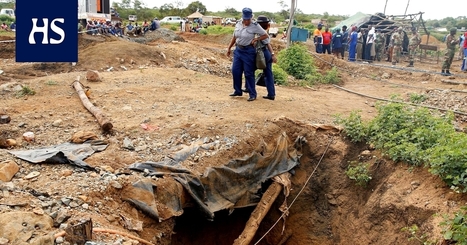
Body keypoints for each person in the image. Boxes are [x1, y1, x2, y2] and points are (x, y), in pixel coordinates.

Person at [226, 7, 269, 101]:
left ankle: (252, 94)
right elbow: (234, 37)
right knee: (235, 71)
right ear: (242, 17)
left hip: (248, 52)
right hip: (238, 50)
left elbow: (265, 35)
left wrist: (256, 39)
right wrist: (229, 48)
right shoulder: (238, 23)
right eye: (245, 19)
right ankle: (237, 90)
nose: (246, 21)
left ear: (251, 17)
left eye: (248, 19)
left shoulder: (255, 25)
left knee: (248, 73)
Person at [255, 15, 276, 100]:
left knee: (250, 69)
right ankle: (271, 94)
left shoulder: (261, 32)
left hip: (262, 54)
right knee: (268, 74)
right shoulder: (264, 31)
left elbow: (267, 44)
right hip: (267, 53)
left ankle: (249, 88)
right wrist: (272, 54)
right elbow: (269, 45)